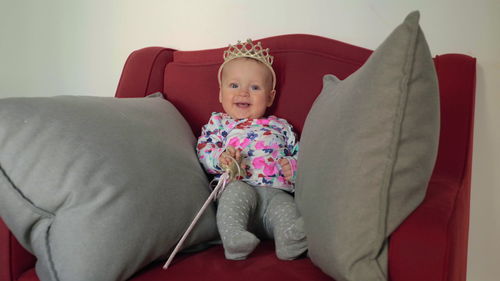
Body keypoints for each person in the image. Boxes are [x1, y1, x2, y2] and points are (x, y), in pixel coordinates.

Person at [196, 39, 307, 260]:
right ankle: (235, 239)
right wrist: (221, 158)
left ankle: (289, 242)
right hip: (239, 187)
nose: (244, 93)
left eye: (255, 87)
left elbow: (301, 153)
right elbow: (204, 148)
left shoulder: (281, 126)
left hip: (276, 193)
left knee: (286, 208)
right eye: (234, 85)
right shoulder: (220, 123)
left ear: (270, 97)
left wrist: (293, 167)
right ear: (220, 94)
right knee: (234, 196)